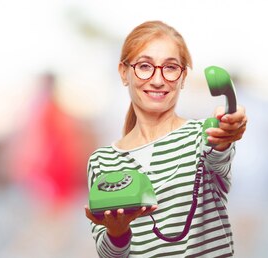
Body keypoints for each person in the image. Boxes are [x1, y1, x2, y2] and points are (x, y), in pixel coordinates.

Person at [84, 21, 247, 257]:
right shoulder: (102, 161)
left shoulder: (201, 136)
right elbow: (108, 254)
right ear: (124, 72)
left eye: (170, 68)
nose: (158, 80)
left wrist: (228, 128)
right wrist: (118, 233)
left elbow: (219, 154)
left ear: (182, 78)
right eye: (144, 66)